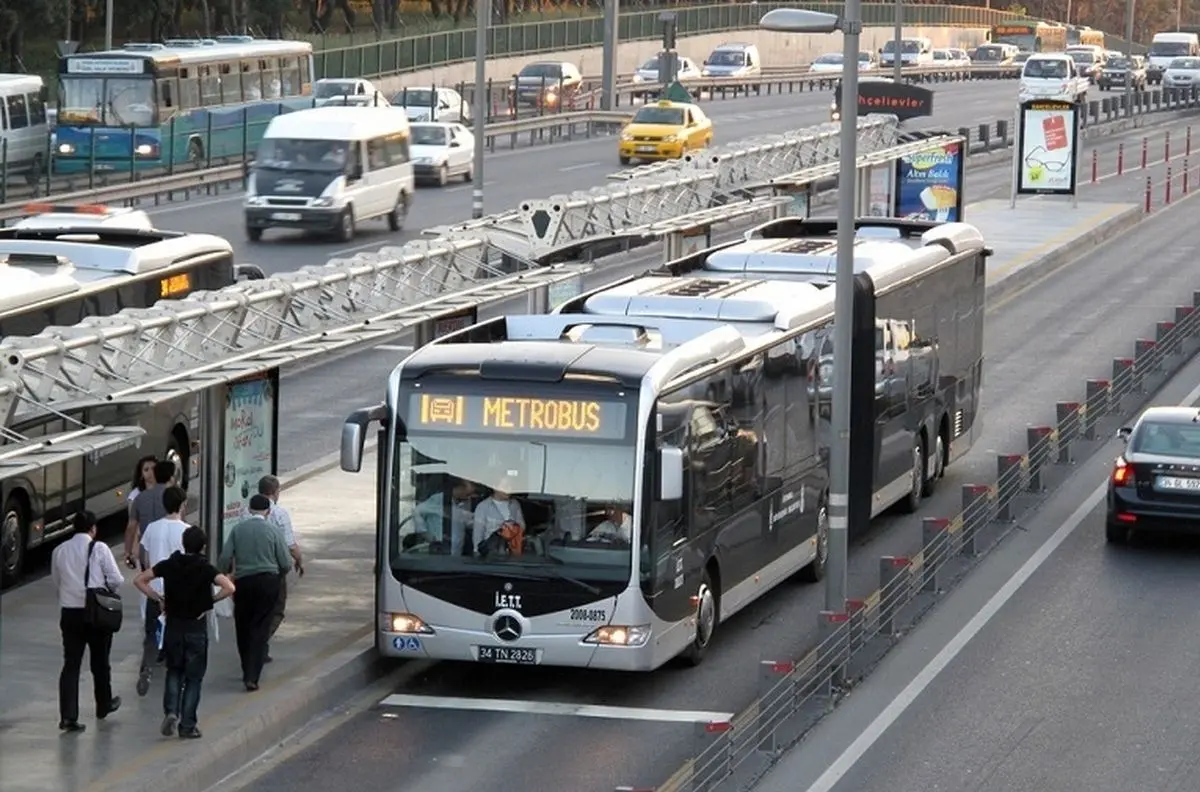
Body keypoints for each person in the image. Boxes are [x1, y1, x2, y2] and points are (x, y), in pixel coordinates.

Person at [134, 525, 235, 740]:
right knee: (194, 678)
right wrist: (210, 602)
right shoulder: (205, 568)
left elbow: (139, 580)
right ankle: (188, 725)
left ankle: (171, 711)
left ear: (183, 543)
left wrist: (157, 598)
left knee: (174, 671)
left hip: (174, 628)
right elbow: (229, 587)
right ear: (203, 546)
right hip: (195, 630)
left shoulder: (170, 564)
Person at [50, 511, 124, 733]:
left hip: (70, 613)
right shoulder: (99, 549)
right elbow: (116, 579)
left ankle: (68, 717)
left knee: (71, 664)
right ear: (93, 528)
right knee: (100, 660)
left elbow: (57, 581)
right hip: (95, 613)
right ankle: (104, 703)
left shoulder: (59, 550)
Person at [218, 494, 291, 691]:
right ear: (268, 511)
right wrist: (278, 576)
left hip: (244, 582)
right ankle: (253, 675)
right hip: (268, 582)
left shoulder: (238, 529)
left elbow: (225, 557)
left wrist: (224, 573)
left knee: (243, 625)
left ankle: (245, 668)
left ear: (249, 510)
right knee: (261, 626)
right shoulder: (273, 531)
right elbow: (285, 562)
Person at [136, 485, 190, 697]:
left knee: (151, 632)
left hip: (154, 590)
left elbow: (146, 559)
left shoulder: (152, 528)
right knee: (176, 635)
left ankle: (146, 667)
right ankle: (173, 673)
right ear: (183, 505)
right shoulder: (186, 530)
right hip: (177, 593)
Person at [255, 475, 304, 663]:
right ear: (275, 492)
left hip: (249, 570)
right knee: (276, 609)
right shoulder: (279, 514)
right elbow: (290, 545)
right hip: (273, 571)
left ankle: (259, 644)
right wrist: (299, 560)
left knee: (256, 609)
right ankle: (260, 641)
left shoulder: (246, 512)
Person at [125, 459, 175, 569]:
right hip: (168, 547)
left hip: (147, 549)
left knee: (148, 581)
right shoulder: (173, 496)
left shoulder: (139, 498)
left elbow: (131, 527)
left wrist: (128, 553)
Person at [416, 477, 475, 555]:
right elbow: (417, 511)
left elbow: (469, 521)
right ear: (459, 488)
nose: (469, 497)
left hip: (456, 556)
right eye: (467, 494)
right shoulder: (438, 500)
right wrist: (424, 532)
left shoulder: (461, 505)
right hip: (439, 554)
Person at [121, 455, 159, 568]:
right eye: (146, 469)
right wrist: (129, 552)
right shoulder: (136, 495)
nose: (150, 472)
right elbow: (132, 525)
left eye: (153, 468)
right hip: (145, 542)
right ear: (141, 474)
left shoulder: (166, 490)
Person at [472, 477, 526, 555]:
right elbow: (478, 535)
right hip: (491, 555)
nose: (509, 489)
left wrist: (512, 529)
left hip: (512, 554)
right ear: (495, 487)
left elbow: (522, 527)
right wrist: (477, 554)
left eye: (511, 486)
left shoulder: (515, 504)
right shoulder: (483, 507)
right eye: (505, 486)